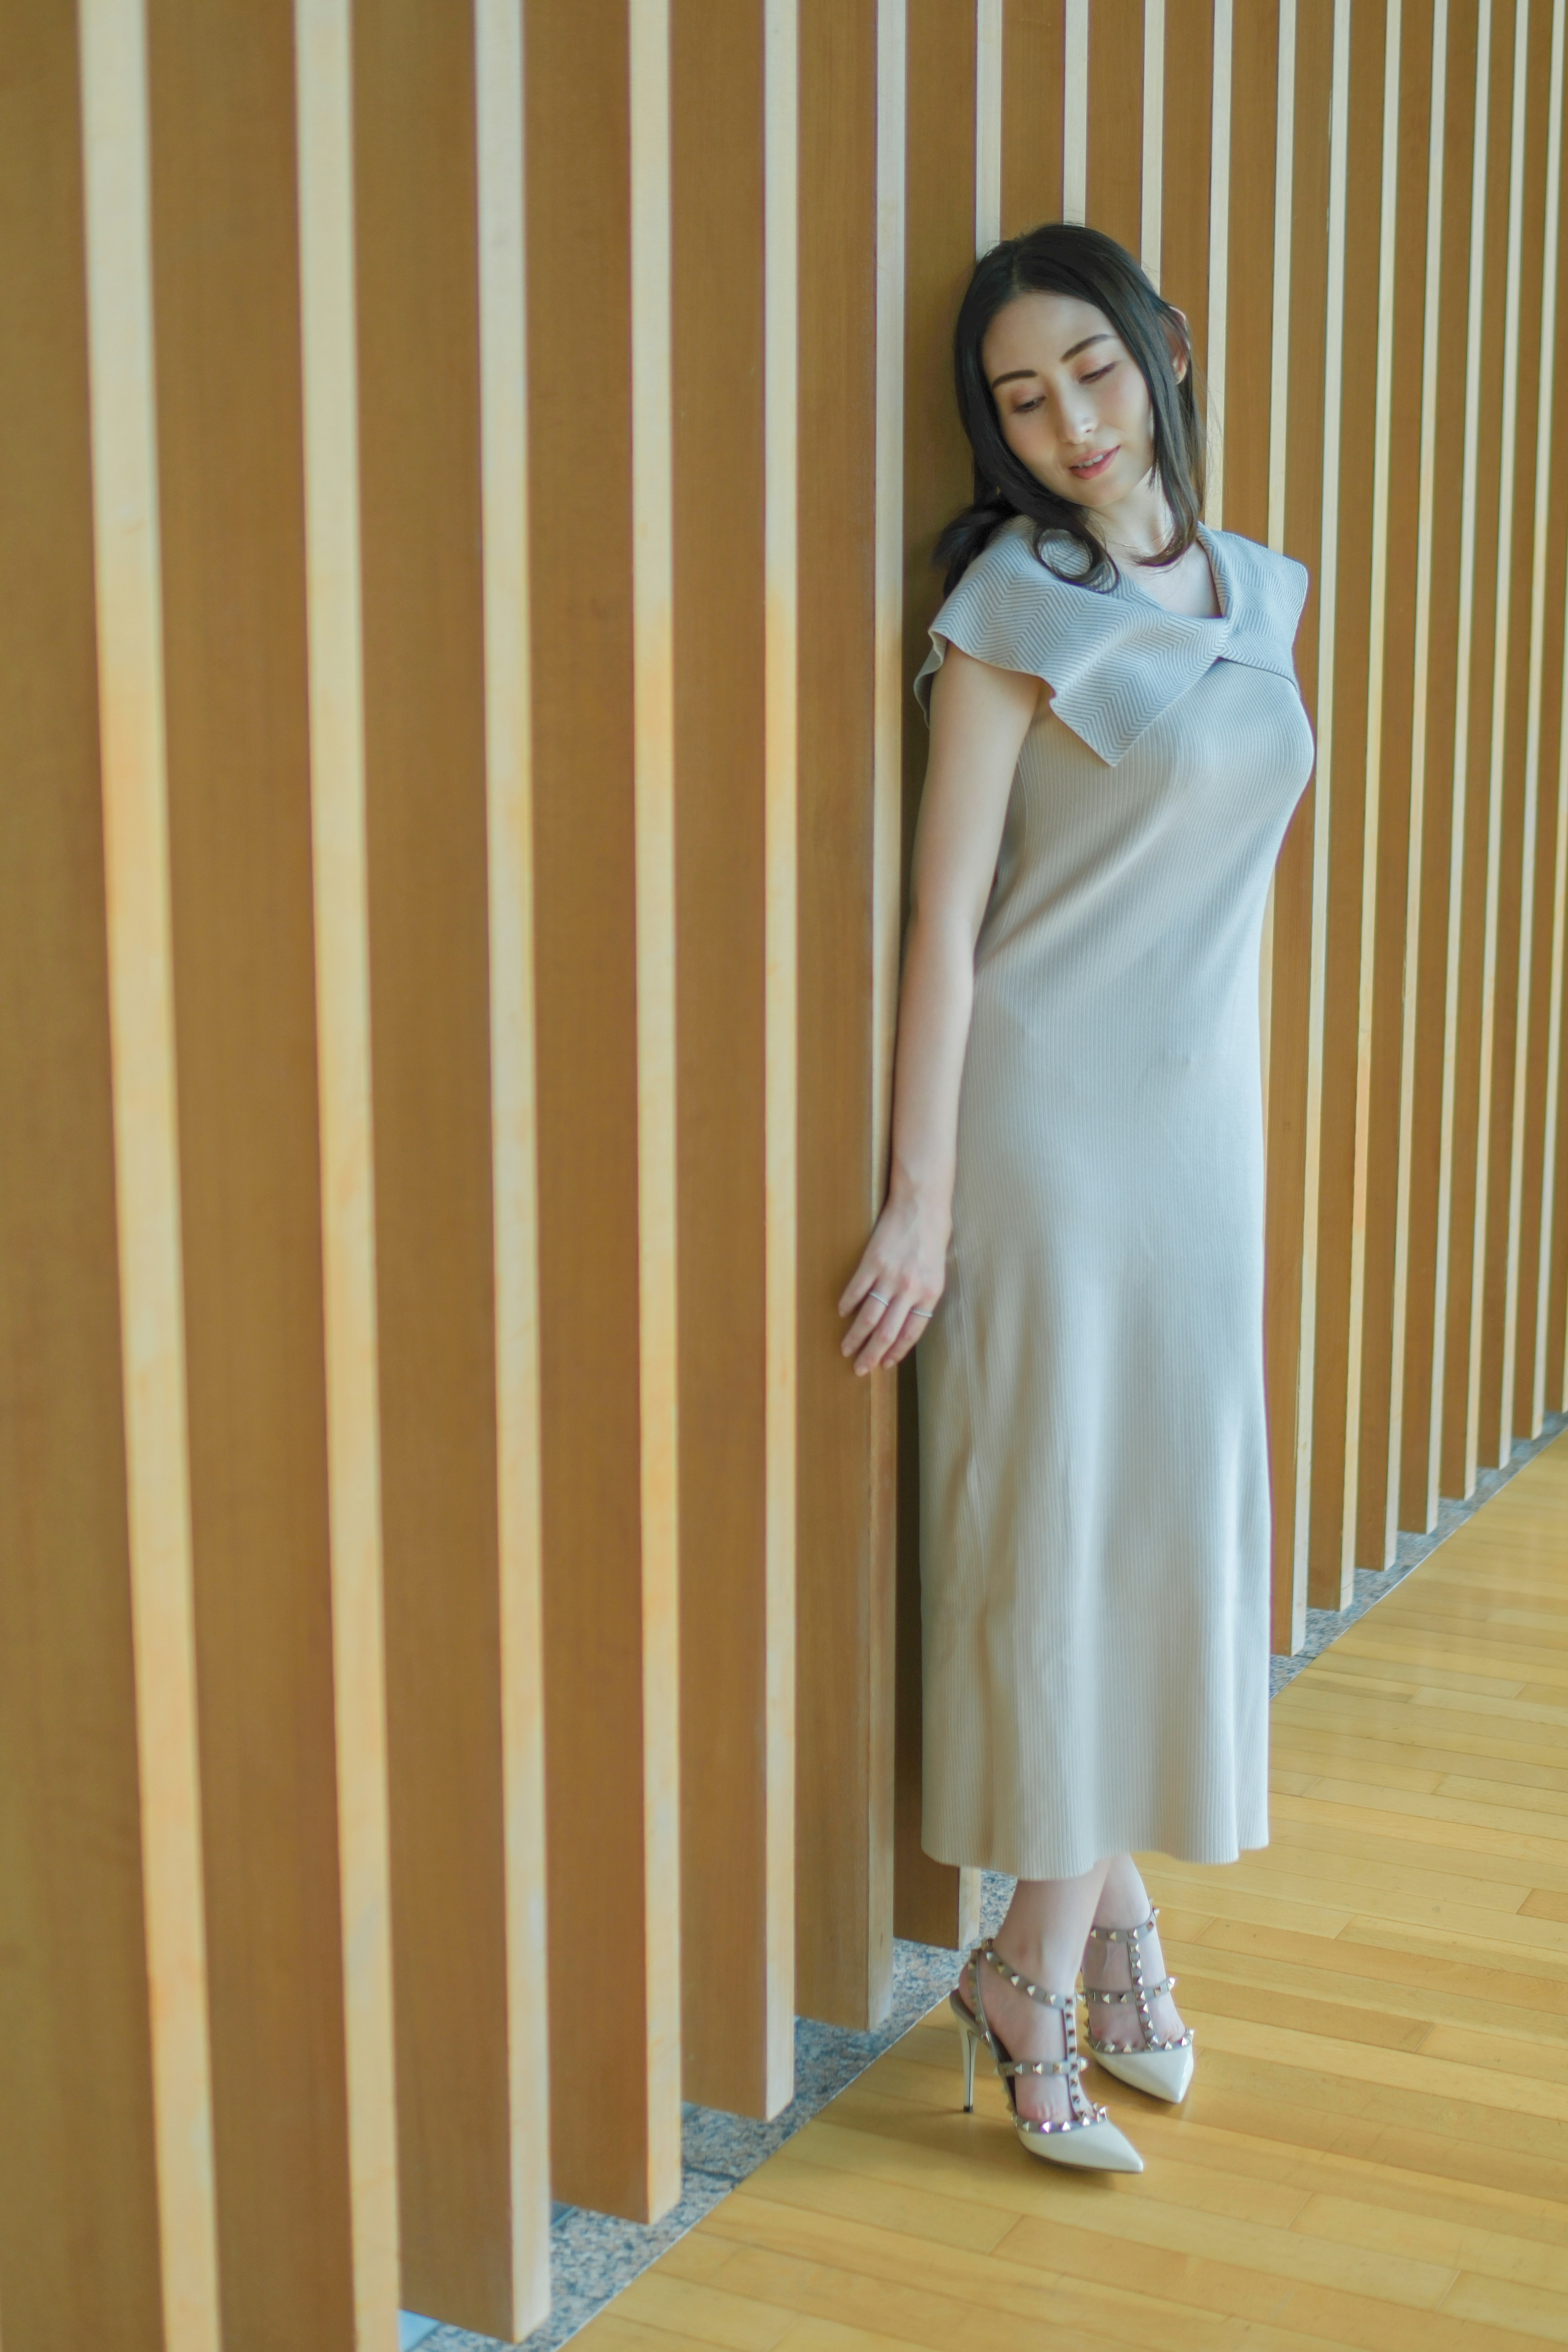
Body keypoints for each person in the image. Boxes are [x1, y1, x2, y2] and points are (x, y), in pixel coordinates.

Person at [839, 222, 1314, 2173]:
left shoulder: (1263, 594)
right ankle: (1038, 1965)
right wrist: (919, 1201)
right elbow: (946, 922)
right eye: (1023, 401)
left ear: (1167, 353)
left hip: (1201, 1147)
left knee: (1151, 1541)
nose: (1069, 427)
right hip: (1045, 1142)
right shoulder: (1007, 612)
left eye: (1094, 375)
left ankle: (1094, 1922)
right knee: (1059, 1548)